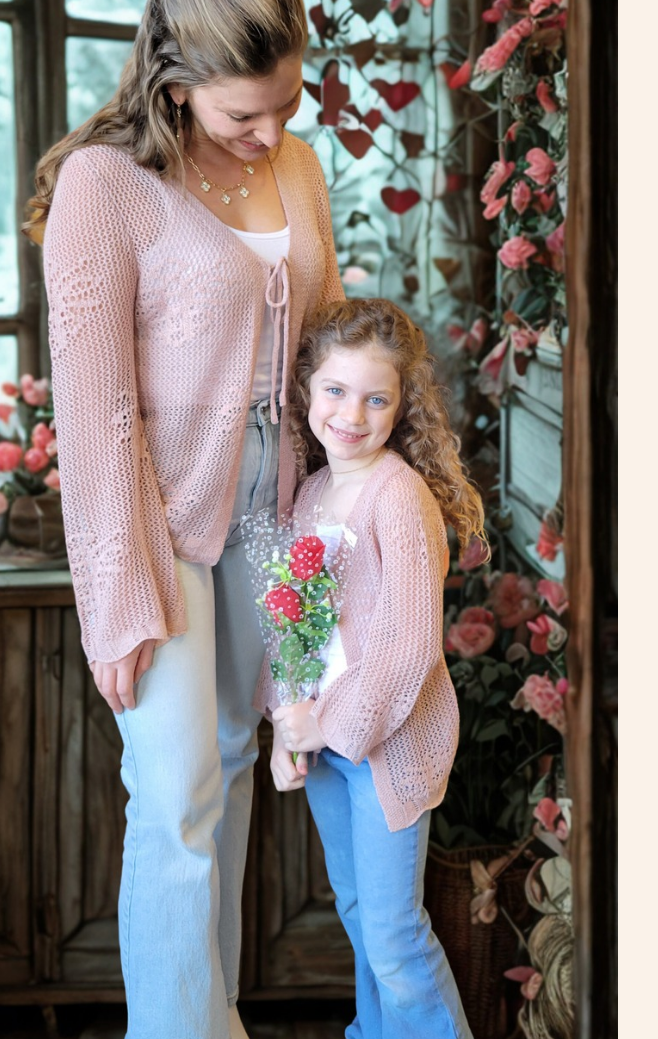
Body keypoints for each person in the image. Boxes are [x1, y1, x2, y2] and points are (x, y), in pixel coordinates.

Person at [22, 0, 343, 1035]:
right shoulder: (106, 186)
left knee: (243, 766)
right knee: (175, 797)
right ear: (176, 80)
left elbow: (325, 334)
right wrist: (114, 592)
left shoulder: (296, 169)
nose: (271, 133)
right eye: (245, 111)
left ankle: (215, 1018)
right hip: (156, 515)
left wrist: (350, 510)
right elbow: (97, 408)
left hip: (277, 509)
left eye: (287, 105)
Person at [256, 298, 488, 1039]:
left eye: (375, 397)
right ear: (306, 391)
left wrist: (324, 723)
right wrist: (285, 732)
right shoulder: (315, 492)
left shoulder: (399, 498)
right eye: (336, 390)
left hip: (386, 749)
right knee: (359, 916)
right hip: (326, 750)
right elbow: (291, 625)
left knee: (393, 934)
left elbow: (407, 647)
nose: (352, 414)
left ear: (400, 407)